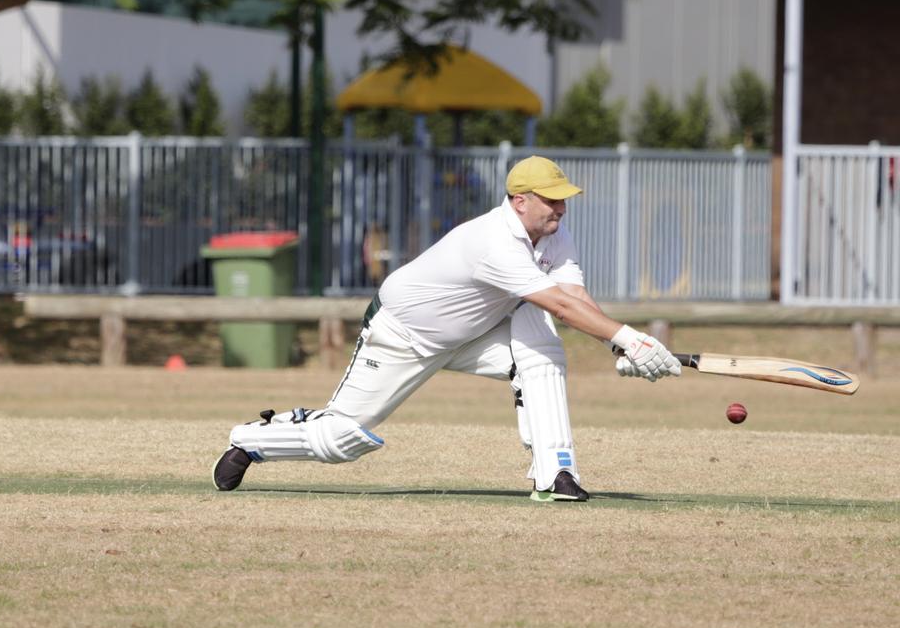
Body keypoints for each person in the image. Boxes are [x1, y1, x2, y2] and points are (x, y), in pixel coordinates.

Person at [212, 156, 680, 502]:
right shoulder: (494, 241)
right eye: (551, 199)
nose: (561, 207)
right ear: (520, 202)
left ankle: (556, 475)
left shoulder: (555, 233)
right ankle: (253, 439)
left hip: (473, 336)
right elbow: (557, 303)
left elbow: (574, 295)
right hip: (403, 336)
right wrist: (627, 338)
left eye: (563, 199)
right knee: (340, 441)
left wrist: (618, 346)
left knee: (540, 352)